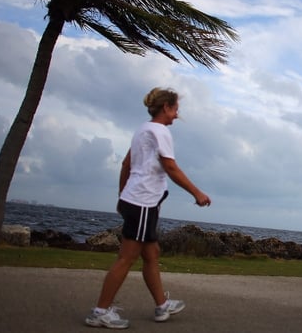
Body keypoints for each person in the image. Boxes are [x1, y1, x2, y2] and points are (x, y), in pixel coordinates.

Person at [85, 87, 211, 329]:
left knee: (151, 255)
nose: (176, 115)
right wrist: (197, 192)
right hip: (142, 202)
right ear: (166, 107)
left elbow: (125, 164)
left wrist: (122, 196)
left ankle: (162, 305)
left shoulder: (142, 130)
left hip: (140, 202)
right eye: (175, 109)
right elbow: (170, 167)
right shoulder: (160, 131)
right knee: (126, 258)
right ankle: (100, 311)